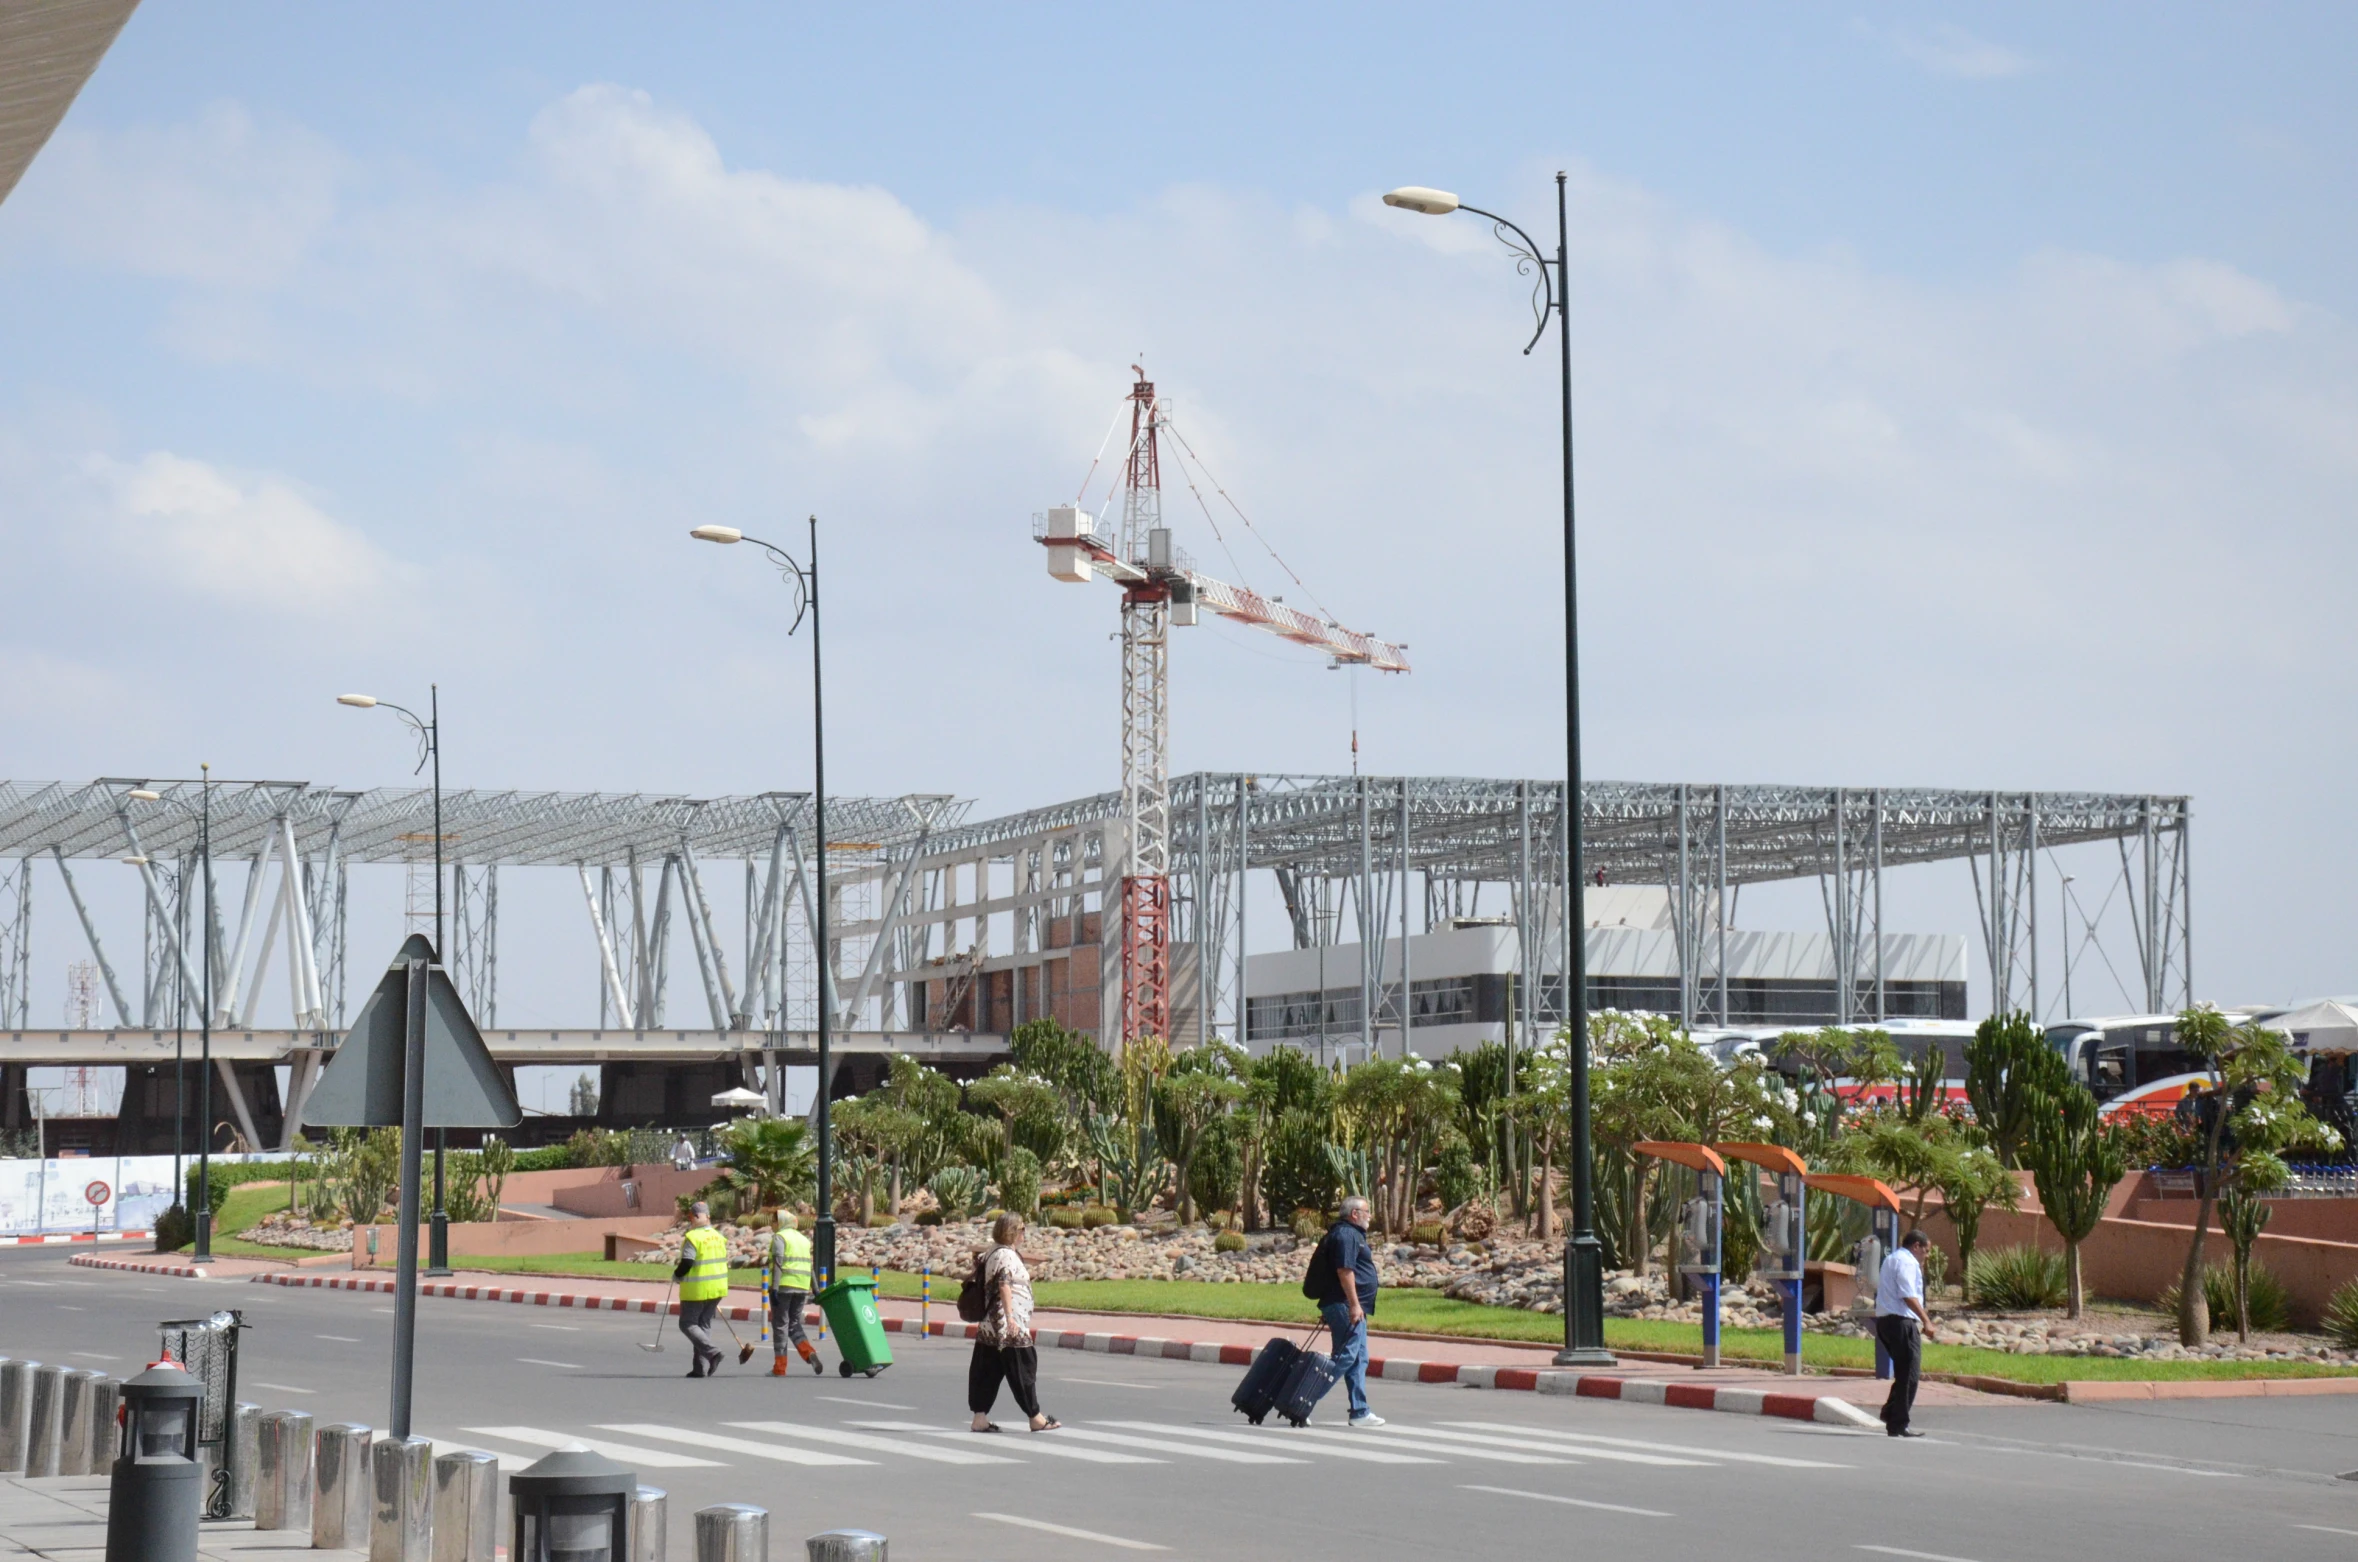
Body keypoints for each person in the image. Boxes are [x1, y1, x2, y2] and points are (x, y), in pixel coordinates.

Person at [968, 1212, 1060, 1433]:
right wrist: (1010, 1319)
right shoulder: (1006, 1256)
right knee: (1024, 1368)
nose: (1024, 1233)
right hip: (1008, 1326)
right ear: (1012, 1231)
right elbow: (1004, 1285)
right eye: (1021, 1229)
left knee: (986, 1372)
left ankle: (979, 1418)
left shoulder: (996, 1252)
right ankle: (1035, 1417)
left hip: (990, 1327)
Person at [1309, 1195, 1384, 1428]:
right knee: (1345, 1357)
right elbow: (1344, 1271)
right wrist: (1353, 1304)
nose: (1370, 1216)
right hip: (1346, 1305)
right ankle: (1303, 1401)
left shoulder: (1346, 1234)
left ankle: (1360, 1412)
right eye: (1367, 1211)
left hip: (1343, 1305)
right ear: (1354, 1214)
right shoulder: (1347, 1235)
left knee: (1359, 1358)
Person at [1875, 1228, 1937, 1437]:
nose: (1926, 1256)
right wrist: (1926, 1320)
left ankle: (1892, 1415)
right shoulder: (1907, 1262)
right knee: (1910, 1374)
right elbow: (1908, 1295)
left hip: (1886, 1321)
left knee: (1904, 1373)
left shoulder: (1892, 1259)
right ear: (1916, 1246)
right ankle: (1898, 1422)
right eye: (1925, 1251)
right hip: (1900, 1321)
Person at [673, 1201, 730, 1378]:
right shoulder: (718, 1236)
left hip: (697, 1288)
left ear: (697, 1216)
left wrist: (677, 1274)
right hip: (718, 1287)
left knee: (687, 1324)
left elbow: (688, 1261)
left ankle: (713, 1353)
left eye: (691, 1217)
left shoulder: (693, 1237)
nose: (691, 1220)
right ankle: (699, 1368)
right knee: (703, 1324)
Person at [766, 1211, 821, 1377]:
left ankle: (780, 1367)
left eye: (774, 1221)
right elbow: (810, 1267)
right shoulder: (803, 1240)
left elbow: (778, 1262)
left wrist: (774, 1288)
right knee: (794, 1323)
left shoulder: (780, 1237)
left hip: (784, 1286)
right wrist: (816, 1289)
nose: (771, 1225)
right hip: (802, 1287)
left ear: (781, 1222)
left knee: (780, 1325)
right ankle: (809, 1353)